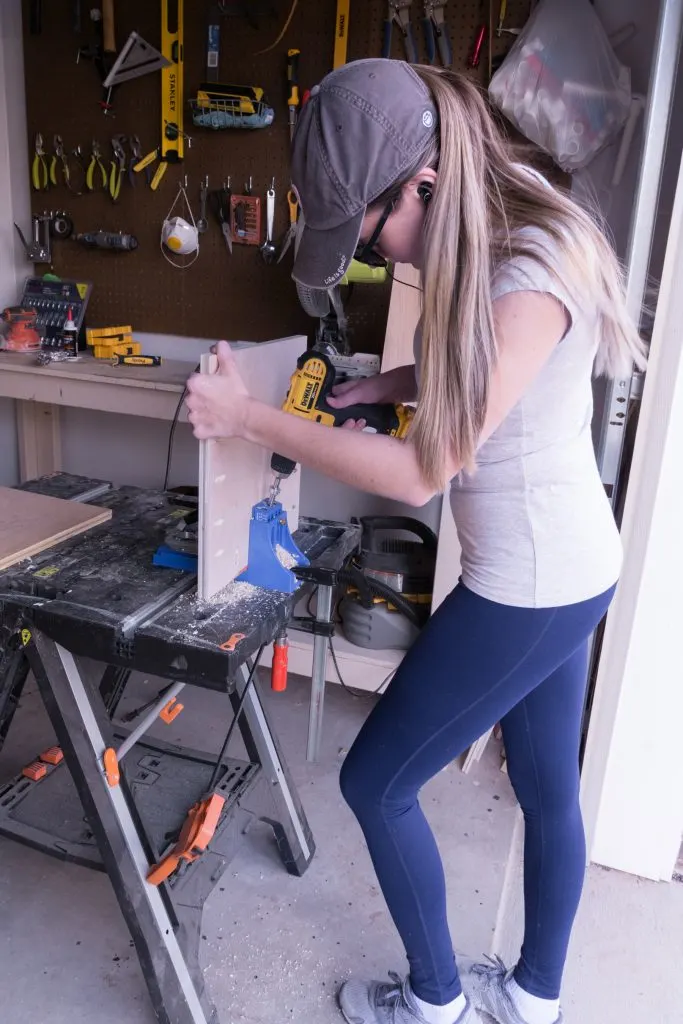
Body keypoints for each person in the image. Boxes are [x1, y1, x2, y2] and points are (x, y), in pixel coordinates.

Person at [186, 59, 646, 1024]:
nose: (385, 258)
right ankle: (532, 998)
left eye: (377, 233)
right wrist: (381, 388)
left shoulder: (528, 268)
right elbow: (477, 377)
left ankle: (435, 1000)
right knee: (545, 785)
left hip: (528, 585)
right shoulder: (497, 243)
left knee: (376, 781)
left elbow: (417, 475)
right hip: (566, 569)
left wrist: (245, 418)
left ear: (424, 184)